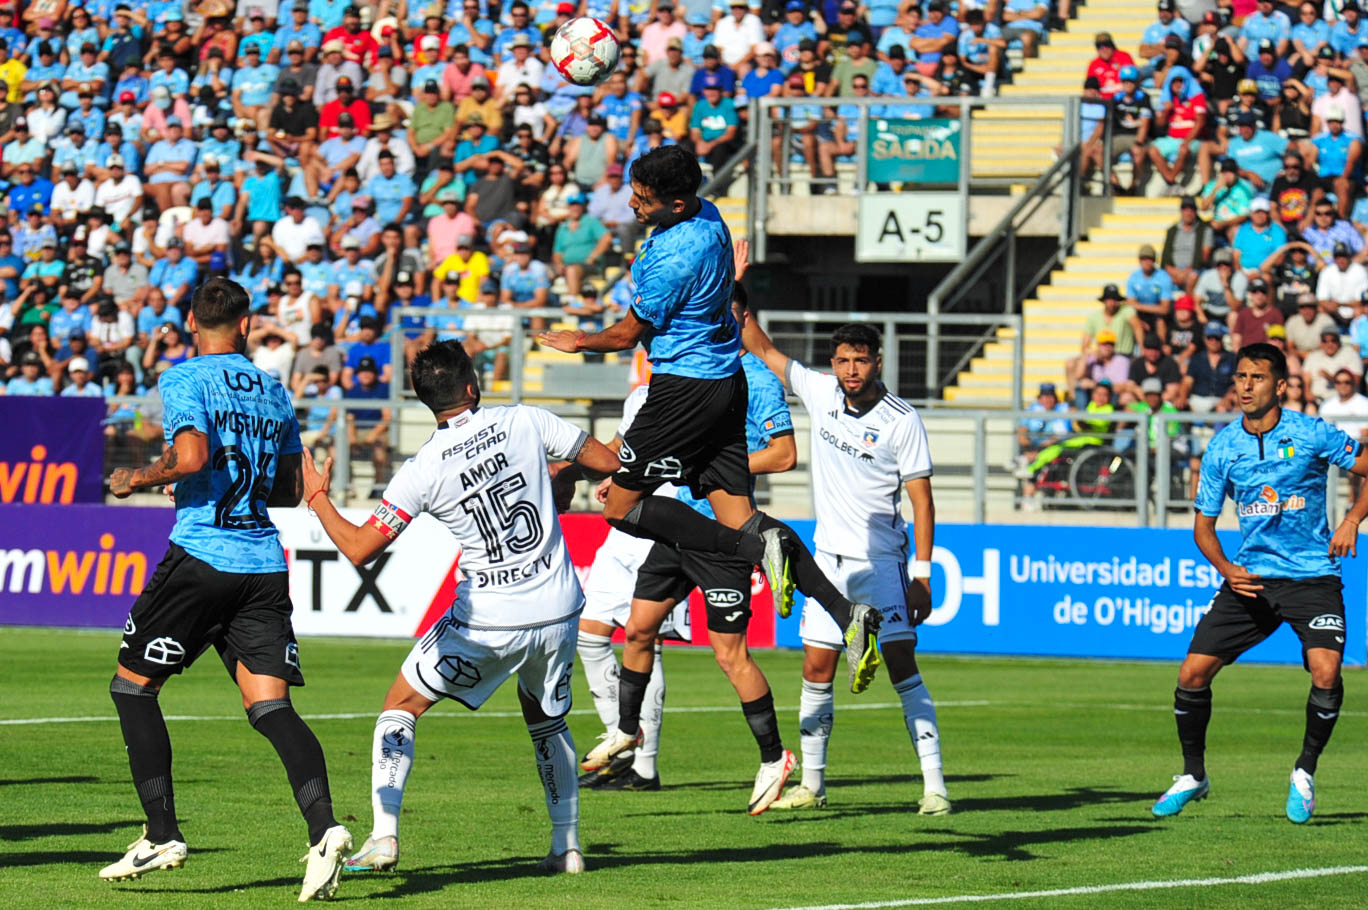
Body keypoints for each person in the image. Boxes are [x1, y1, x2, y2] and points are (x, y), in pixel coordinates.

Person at [536, 147, 882, 808]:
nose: (632, 205)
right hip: (722, 387)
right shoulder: (710, 219)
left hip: (684, 389)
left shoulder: (670, 256)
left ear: (671, 201)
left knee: (619, 505)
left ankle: (753, 557)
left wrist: (580, 339)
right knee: (737, 522)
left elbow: (631, 330)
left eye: (641, 198)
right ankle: (846, 611)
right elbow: (708, 282)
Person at [300, 340, 619, 874]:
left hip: (490, 618)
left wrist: (316, 498)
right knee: (546, 722)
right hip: (560, 605)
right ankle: (567, 847)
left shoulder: (422, 468)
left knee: (400, 706)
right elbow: (606, 463)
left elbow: (359, 547)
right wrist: (558, 477)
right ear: (472, 386)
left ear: (426, 399)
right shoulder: (527, 421)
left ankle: (384, 837)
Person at [98, 277, 351, 899]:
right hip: (263, 562)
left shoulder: (185, 378)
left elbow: (190, 458)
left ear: (191, 321)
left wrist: (139, 476)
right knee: (269, 708)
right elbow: (289, 489)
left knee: (132, 689)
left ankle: (161, 832)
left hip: (203, 556)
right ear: (246, 325)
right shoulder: (272, 389)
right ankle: (324, 831)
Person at [577, 285, 797, 793]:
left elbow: (783, 456)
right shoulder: (686, 379)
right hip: (673, 528)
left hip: (720, 533)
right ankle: (627, 738)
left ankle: (772, 757)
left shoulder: (756, 381)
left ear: (743, 319)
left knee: (729, 654)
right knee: (636, 630)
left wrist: (706, 469)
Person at [1154, 342, 1368, 824]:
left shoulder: (1310, 432)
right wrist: (1227, 570)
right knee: (1191, 674)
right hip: (1250, 580)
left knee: (1327, 672)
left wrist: (1353, 518)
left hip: (1312, 577)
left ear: (1281, 385)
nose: (1246, 386)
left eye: (1257, 378)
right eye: (1241, 378)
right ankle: (1193, 775)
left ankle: (1305, 771)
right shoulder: (1224, 446)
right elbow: (1203, 530)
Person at [743, 316, 946, 814]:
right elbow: (764, 349)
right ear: (833, 364)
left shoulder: (902, 419)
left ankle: (935, 786)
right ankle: (813, 785)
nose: (851, 369)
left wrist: (922, 575)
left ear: (878, 362)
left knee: (902, 666)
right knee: (817, 668)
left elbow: (922, 501)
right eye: (842, 361)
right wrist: (736, 292)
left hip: (880, 563)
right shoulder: (820, 392)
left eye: (860, 360)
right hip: (827, 562)